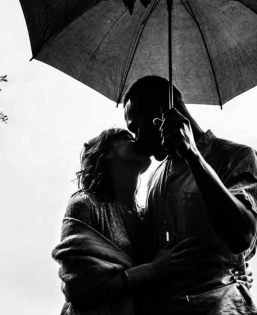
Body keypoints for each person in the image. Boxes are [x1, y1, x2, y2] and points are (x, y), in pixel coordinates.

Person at [124, 76, 257, 315]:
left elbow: (242, 237)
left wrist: (193, 156)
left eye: (135, 126)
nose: (136, 139)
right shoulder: (154, 180)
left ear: (160, 113)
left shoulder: (237, 157)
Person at [52, 128, 209, 315]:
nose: (138, 140)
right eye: (128, 137)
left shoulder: (146, 215)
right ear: (107, 154)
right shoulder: (85, 204)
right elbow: (78, 288)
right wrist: (153, 269)